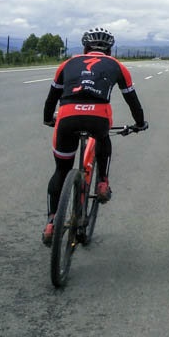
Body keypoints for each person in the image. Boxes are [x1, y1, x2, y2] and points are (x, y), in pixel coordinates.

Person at [41, 27, 147, 245]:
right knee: (103, 137)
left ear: (84, 48)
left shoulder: (67, 63)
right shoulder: (117, 66)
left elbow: (52, 98)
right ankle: (102, 183)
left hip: (67, 117)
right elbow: (132, 100)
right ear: (109, 51)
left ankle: (51, 223)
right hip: (98, 118)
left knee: (61, 169)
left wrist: (48, 119)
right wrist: (139, 123)